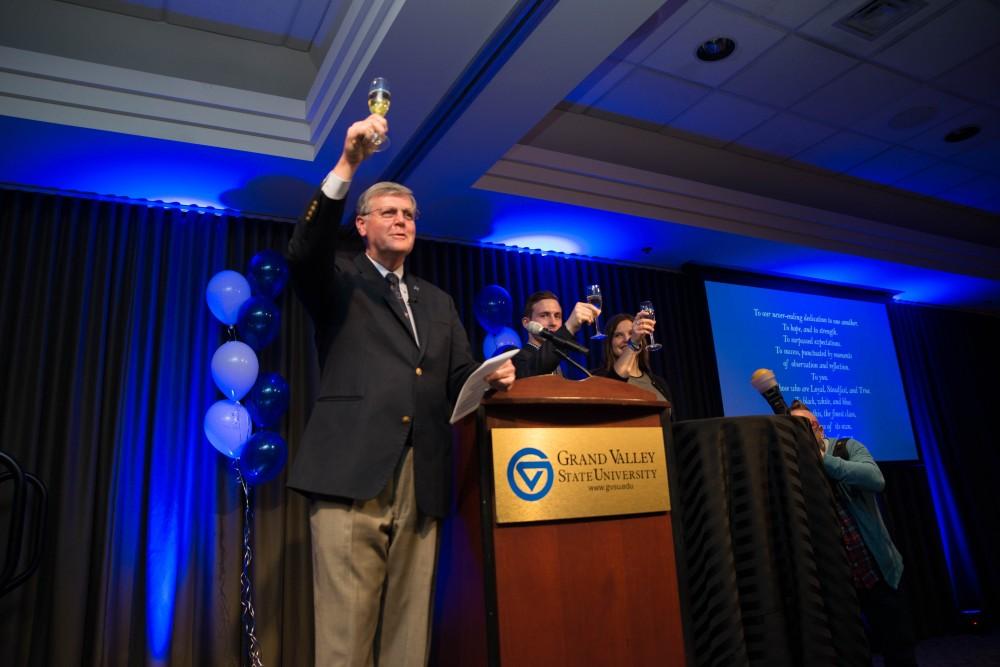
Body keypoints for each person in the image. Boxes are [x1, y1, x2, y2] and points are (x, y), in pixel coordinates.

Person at [286, 113, 516, 666]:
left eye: (410, 214)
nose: (402, 220)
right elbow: (303, 251)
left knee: (409, 643)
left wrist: (491, 378)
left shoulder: (437, 301)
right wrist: (348, 164)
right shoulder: (339, 281)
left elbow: (458, 378)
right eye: (389, 212)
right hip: (352, 477)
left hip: (424, 481)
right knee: (344, 641)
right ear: (361, 225)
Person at [789, 400, 917, 667]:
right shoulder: (792, 470)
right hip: (835, 580)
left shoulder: (846, 448)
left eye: (807, 427)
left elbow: (875, 479)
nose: (804, 434)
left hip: (878, 570)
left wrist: (823, 460)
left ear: (820, 429)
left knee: (898, 648)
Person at [592, 313, 673, 410]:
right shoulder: (599, 379)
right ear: (609, 343)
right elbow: (614, 385)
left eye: (632, 333)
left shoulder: (659, 383)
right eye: (618, 335)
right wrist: (633, 343)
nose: (627, 339)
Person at [512, 290, 599, 378]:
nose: (553, 323)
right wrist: (569, 327)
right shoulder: (516, 358)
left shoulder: (566, 360)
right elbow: (535, 369)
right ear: (526, 323)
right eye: (544, 315)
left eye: (557, 316)